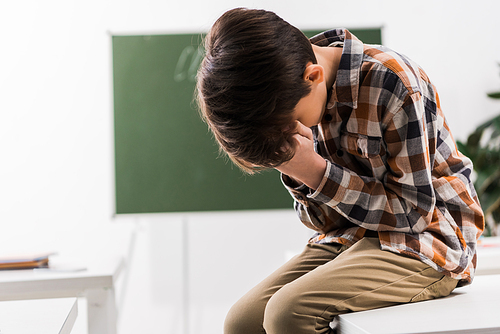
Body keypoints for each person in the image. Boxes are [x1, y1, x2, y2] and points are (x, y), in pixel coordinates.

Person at [196, 7, 484, 334]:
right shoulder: (292, 93)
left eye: (294, 123)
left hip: (430, 238)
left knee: (287, 314)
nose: (296, 130)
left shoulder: (392, 81)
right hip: (353, 234)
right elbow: (323, 223)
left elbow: (414, 213)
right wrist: (302, 174)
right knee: (241, 322)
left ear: (313, 76)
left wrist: (318, 173)